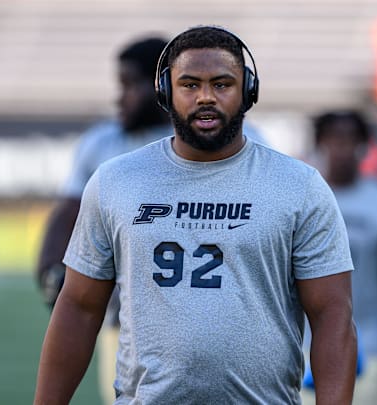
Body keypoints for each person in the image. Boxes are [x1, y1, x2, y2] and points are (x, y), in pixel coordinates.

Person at [34, 25, 357, 404]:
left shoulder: (299, 186)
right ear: (166, 91)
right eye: (189, 84)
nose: (206, 97)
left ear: (247, 91)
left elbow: (332, 315)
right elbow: (80, 306)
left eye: (222, 84)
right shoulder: (115, 180)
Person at [34, 35, 171, 404]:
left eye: (129, 85)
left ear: (160, 85)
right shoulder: (103, 143)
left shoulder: (214, 142)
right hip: (122, 320)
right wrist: (50, 265)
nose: (119, 97)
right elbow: (69, 210)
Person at [309, 110, 377, 405]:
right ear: (320, 143)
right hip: (305, 349)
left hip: (369, 346)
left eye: (351, 140)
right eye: (334, 140)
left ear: (364, 146)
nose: (342, 149)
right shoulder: (302, 198)